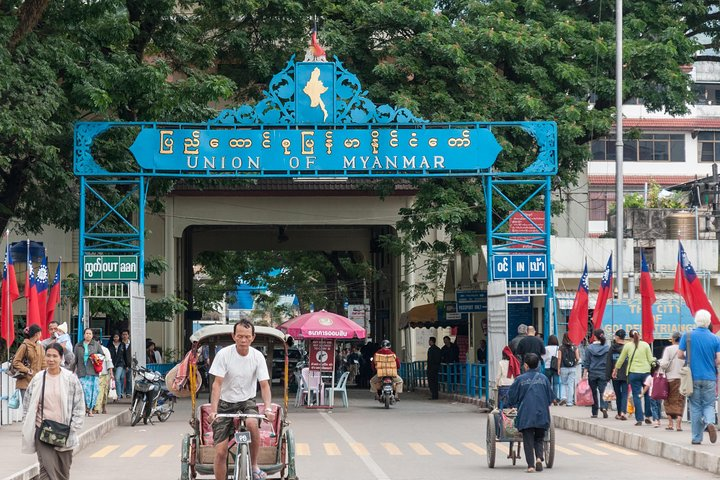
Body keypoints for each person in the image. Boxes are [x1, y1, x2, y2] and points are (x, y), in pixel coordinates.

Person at [208, 320, 275, 480]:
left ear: (253, 337)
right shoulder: (224, 354)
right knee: (221, 451)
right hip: (225, 403)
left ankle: (253, 465)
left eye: (247, 336)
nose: (243, 340)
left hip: (247, 402)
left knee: (252, 423)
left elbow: (264, 385)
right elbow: (216, 385)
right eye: (239, 336)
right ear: (233, 336)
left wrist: (268, 408)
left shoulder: (257, 356)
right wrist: (214, 411)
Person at [22, 343, 85, 480]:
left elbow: (79, 406)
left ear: (61, 358)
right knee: (45, 469)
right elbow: (27, 403)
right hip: (43, 430)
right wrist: (28, 425)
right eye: (48, 355)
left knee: (63, 473)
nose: (51, 359)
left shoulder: (70, 379)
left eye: (55, 356)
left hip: (65, 432)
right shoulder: (38, 378)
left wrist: (72, 428)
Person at [678, 310, 720, 445]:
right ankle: (709, 422)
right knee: (708, 404)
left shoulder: (688, 335)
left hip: (692, 377)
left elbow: (679, 355)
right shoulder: (715, 338)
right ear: (708, 322)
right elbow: (718, 359)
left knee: (695, 406)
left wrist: (689, 358)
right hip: (710, 377)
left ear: (696, 321)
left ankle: (697, 438)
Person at [507, 353, 554, 473]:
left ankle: (531, 466)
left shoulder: (520, 379)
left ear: (526, 366)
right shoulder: (544, 379)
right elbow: (550, 398)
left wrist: (511, 405)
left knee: (528, 440)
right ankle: (539, 458)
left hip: (526, 414)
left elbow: (511, 397)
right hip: (542, 413)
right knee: (539, 438)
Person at [613, 329, 653, 426]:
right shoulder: (646, 345)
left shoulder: (627, 346)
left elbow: (621, 359)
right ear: (639, 335)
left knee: (636, 395)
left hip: (633, 373)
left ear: (630, 337)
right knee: (647, 395)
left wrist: (615, 370)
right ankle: (648, 416)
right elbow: (650, 359)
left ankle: (639, 419)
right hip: (646, 373)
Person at [71, 328, 103, 417]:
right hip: (82, 371)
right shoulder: (78, 345)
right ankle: (85, 407)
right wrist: (71, 371)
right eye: (86, 333)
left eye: (90, 333)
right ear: (84, 335)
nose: (88, 335)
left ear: (92, 335)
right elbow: (74, 360)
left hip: (93, 372)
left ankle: (90, 409)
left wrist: (94, 357)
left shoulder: (96, 345)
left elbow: (102, 356)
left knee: (93, 392)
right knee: (84, 391)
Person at [659, 331, 685, 430]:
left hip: (670, 378)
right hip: (682, 378)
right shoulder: (684, 349)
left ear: (673, 339)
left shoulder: (668, 349)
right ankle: (678, 424)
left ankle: (670, 424)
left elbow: (664, 364)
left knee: (668, 400)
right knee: (680, 400)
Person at [13, 325, 46, 400]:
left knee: (37, 409)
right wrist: (27, 370)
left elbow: (44, 363)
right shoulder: (24, 346)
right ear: (37, 334)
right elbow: (16, 362)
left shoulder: (40, 347)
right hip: (25, 382)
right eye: (40, 333)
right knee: (27, 409)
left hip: (38, 382)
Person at [583, 328, 610, 418]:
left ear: (594, 336)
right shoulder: (607, 348)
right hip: (603, 372)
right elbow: (609, 362)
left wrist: (584, 374)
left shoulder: (589, 348)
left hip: (593, 373)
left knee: (593, 392)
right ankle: (604, 407)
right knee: (603, 391)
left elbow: (587, 362)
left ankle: (595, 412)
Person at [606, 329, 629, 420]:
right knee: (624, 394)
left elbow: (609, 362)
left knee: (618, 394)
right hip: (626, 373)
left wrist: (608, 375)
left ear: (617, 337)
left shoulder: (612, 348)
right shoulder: (628, 347)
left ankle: (619, 412)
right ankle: (623, 412)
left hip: (615, 374)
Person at [557, 333, 580, 406]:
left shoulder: (561, 348)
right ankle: (569, 402)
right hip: (572, 368)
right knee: (570, 385)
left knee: (564, 383)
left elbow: (559, 358)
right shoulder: (574, 347)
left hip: (563, 367)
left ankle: (563, 397)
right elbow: (578, 358)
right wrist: (575, 364)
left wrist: (558, 368)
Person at [93, 342, 114, 415]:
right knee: (97, 391)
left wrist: (111, 373)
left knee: (104, 392)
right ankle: (96, 408)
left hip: (104, 374)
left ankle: (103, 407)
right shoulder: (91, 349)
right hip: (94, 374)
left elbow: (109, 361)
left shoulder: (105, 350)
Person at [541, 335, 560, 404]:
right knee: (556, 384)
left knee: (548, 383)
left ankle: (548, 397)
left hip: (547, 367)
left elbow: (543, 357)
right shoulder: (558, 348)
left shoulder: (546, 348)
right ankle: (554, 398)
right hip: (556, 367)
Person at [643, 361, 662, 428]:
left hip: (652, 394)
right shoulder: (660, 376)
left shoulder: (650, 377)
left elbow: (646, 387)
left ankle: (656, 420)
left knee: (654, 408)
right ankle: (659, 420)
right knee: (659, 407)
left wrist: (642, 394)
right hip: (659, 394)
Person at [120, 329, 132, 397]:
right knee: (121, 378)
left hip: (130, 364)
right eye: (123, 334)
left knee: (129, 379)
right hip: (122, 364)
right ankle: (121, 392)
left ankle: (128, 392)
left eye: (126, 334)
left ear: (128, 335)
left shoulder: (131, 344)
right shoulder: (120, 344)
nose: (124, 336)